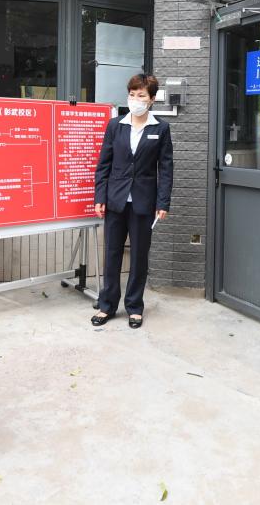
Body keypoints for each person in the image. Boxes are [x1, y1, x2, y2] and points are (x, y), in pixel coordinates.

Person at [92, 74, 173, 328]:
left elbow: (166, 168)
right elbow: (103, 165)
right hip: (115, 200)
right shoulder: (115, 125)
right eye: (132, 94)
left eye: (141, 95)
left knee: (139, 256)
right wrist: (99, 197)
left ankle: (135, 307)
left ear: (152, 99)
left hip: (144, 202)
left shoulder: (160, 128)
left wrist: (163, 202)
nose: (135, 99)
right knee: (112, 253)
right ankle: (107, 305)